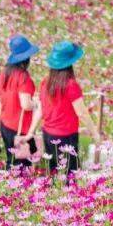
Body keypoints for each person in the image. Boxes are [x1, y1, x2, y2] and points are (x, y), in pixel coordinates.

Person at [28, 41, 101, 182]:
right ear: (70, 63)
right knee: (70, 174)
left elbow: (41, 109)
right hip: (66, 136)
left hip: (48, 134)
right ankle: (68, 201)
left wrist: (32, 131)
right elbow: (82, 113)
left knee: (52, 171)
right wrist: (95, 133)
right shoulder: (71, 85)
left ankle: (52, 199)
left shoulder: (46, 82)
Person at [0, 34, 40, 170]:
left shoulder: (4, 74)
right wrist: (36, 104)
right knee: (21, 165)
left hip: (5, 125)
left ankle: (10, 188)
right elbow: (25, 105)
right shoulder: (23, 77)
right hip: (19, 129)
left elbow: (0, 102)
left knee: (11, 161)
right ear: (26, 58)